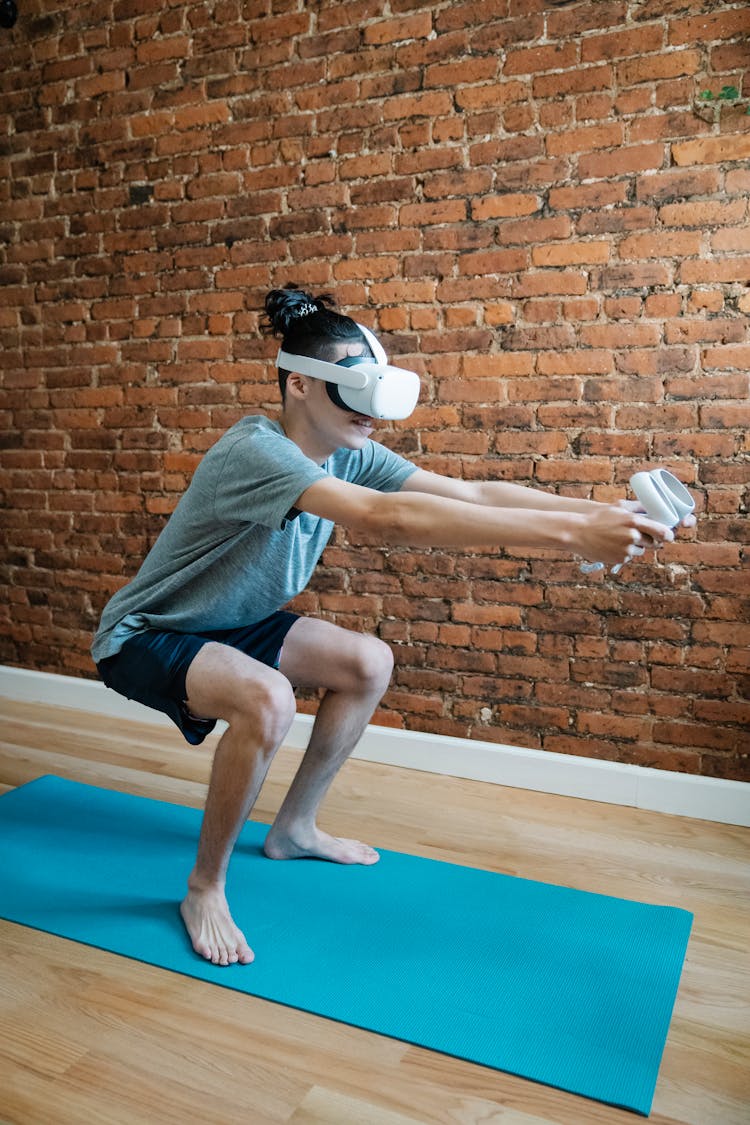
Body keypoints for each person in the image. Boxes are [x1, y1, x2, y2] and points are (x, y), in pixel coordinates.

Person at [92, 284, 682, 967]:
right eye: (356, 392)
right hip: (147, 632)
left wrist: (596, 515)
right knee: (268, 699)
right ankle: (204, 887)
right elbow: (384, 519)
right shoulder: (255, 451)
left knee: (366, 662)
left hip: (231, 623)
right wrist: (577, 540)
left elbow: (470, 495)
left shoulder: (349, 451)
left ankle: (295, 828)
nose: (372, 414)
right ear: (299, 386)